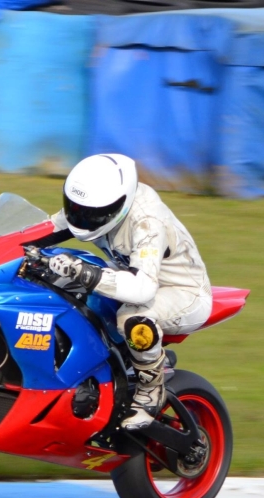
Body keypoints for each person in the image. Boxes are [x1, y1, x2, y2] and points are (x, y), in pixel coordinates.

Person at [47, 154, 212, 429]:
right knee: (62, 287)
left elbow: (143, 289)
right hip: (135, 277)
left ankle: (151, 388)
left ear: (119, 205)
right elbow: (47, 228)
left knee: (134, 318)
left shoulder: (146, 221)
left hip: (181, 291)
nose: (81, 217)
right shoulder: (92, 206)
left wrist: (85, 273)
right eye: (75, 208)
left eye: (90, 212)